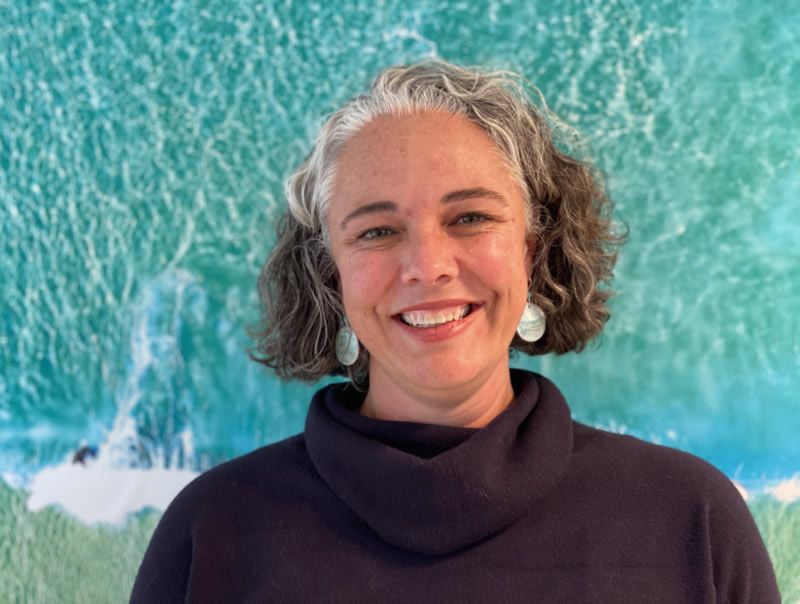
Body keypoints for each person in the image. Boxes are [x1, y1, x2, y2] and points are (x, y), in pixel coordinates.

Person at [131, 60, 780, 602]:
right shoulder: (213, 532)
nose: (427, 267)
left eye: (470, 217)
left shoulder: (689, 520)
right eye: (377, 231)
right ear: (331, 278)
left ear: (535, 250)